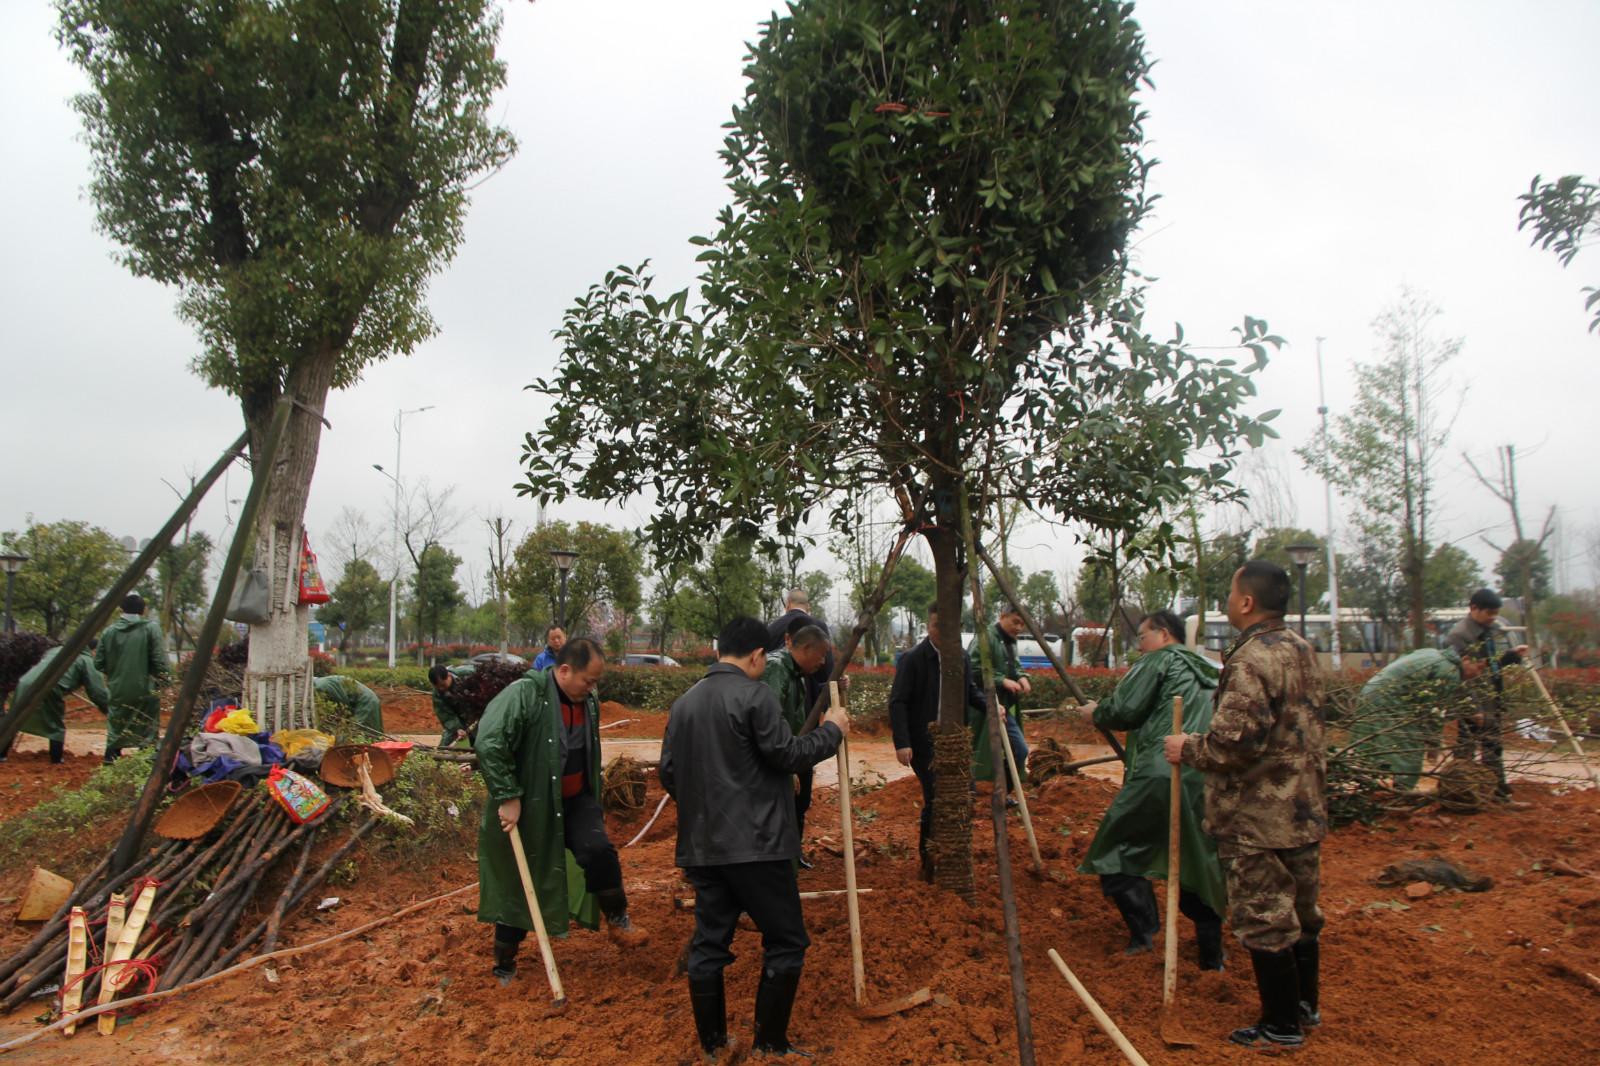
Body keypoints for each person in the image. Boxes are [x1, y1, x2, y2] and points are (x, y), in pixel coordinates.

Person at [660, 616, 848, 1059]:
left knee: (709, 944)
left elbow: (670, 773)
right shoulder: (755, 696)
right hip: (758, 847)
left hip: (704, 849)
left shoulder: (684, 704)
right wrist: (833, 729)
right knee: (786, 941)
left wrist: (706, 806)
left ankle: (714, 1045)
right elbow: (787, 754)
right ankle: (770, 1044)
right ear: (758, 655)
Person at [1164, 561, 1327, 1049]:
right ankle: (1303, 1005)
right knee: (1302, 911)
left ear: (1247, 602)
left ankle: (1280, 1026)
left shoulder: (1251, 660)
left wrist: (1186, 748)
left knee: (1265, 916)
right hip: (1303, 807)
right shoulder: (1303, 649)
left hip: (1257, 815)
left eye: (1232, 592)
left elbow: (1234, 743)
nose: (1228, 600)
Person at [473, 637, 647, 986]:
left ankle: (617, 917)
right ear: (564, 670)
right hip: (534, 801)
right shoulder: (526, 695)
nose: (593, 688)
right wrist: (508, 794)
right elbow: (489, 741)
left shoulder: (588, 701)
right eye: (589, 680)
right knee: (522, 877)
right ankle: (504, 961)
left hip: (577, 800)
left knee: (598, 850)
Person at [1076, 610, 1227, 968]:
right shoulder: (1211, 672)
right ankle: (1211, 955)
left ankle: (1144, 935)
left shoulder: (1161, 659)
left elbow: (1126, 709)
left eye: (1142, 638)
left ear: (1162, 635)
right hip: (1202, 775)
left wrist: (1096, 713)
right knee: (1195, 858)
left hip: (1160, 772)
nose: (1140, 648)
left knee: (1114, 848)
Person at [888, 602, 987, 881]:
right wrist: (902, 742)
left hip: (956, 743)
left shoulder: (962, 658)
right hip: (924, 744)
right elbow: (898, 702)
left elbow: (970, 692)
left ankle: (955, 855)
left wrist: (991, 707)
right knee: (937, 798)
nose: (941, 633)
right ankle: (928, 859)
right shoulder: (913, 659)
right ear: (928, 626)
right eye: (935, 626)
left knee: (964, 795)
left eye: (948, 627)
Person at [1347, 646, 1483, 790]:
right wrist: (1433, 743)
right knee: (1410, 752)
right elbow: (1432, 711)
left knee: (1372, 746)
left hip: (1371, 691)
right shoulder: (1450, 672)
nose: (1479, 674)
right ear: (1466, 659)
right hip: (1389, 700)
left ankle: (1366, 786)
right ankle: (1403, 791)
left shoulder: (1432, 652)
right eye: (1479, 668)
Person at [760, 619, 831, 867]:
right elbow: (767, 723)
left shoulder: (798, 674)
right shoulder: (776, 669)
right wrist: (785, 765)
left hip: (787, 759)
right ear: (807, 648)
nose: (823, 662)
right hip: (772, 764)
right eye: (821, 655)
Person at [1445, 588, 1527, 799]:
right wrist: (1473, 709)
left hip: (1490, 698)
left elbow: (1487, 664)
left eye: (1495, 613)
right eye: (1489, 613)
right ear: (1474, 608)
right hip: (1474, 701)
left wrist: (1510, 656)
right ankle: (1460, 791)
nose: (1493, 618)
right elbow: (1460, 676)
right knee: (1467, 746)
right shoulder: (1459, 635)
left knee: (1492, 746)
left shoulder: (1487, 630)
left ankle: (1495, 790)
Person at [0, 640, 110, 764]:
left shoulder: (55, 651)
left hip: (24, 683)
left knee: (14, 720)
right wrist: (109, 709)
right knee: (55, 725)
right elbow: (97, 692)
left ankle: (2, 755)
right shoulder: (86, 661)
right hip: (49, 687)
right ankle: (56, 760)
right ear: (93, 650)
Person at [968, 603, 1031, 804]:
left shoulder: (1010, 642)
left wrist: (1022, 677)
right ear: (1003, 616)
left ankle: (1002, 792)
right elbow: (973, 667)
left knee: (1019, 750)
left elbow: (1016, 665)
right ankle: (972, 792)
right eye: (1015, 622)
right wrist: (1001, 680)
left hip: (1004, 707)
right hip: (984, 706)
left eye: (1022, 624)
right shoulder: (986, 637)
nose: (1019, 628)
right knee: (976, 753)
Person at [96, 594, 169, 764]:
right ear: (143, 610)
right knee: (147, 725)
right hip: (146, 688)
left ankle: (110, 760)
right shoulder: (151, 628)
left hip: (118, 688)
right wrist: (165, 681)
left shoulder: (108, 632)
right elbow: (159, 659)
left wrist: (116, 674)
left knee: (117, 723)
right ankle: (146, 763)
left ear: (121, 610)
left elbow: (98, 663)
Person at [312, 674, 385, 735]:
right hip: (359, 701)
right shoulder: (320, 684)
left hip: (366, 702)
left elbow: (340, 706)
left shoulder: (321, 687)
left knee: (363, 734)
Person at [428, 662, 475, 747]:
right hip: (460, 716)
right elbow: (446, 716)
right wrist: (458, 728)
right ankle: (439, 757)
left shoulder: (468, 674)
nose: (441, 689)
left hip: (477, 712)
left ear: (449, 675)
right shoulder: (437, 694)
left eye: (443, 685)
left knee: (478, 741)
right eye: (437, 687)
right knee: (444, 745)